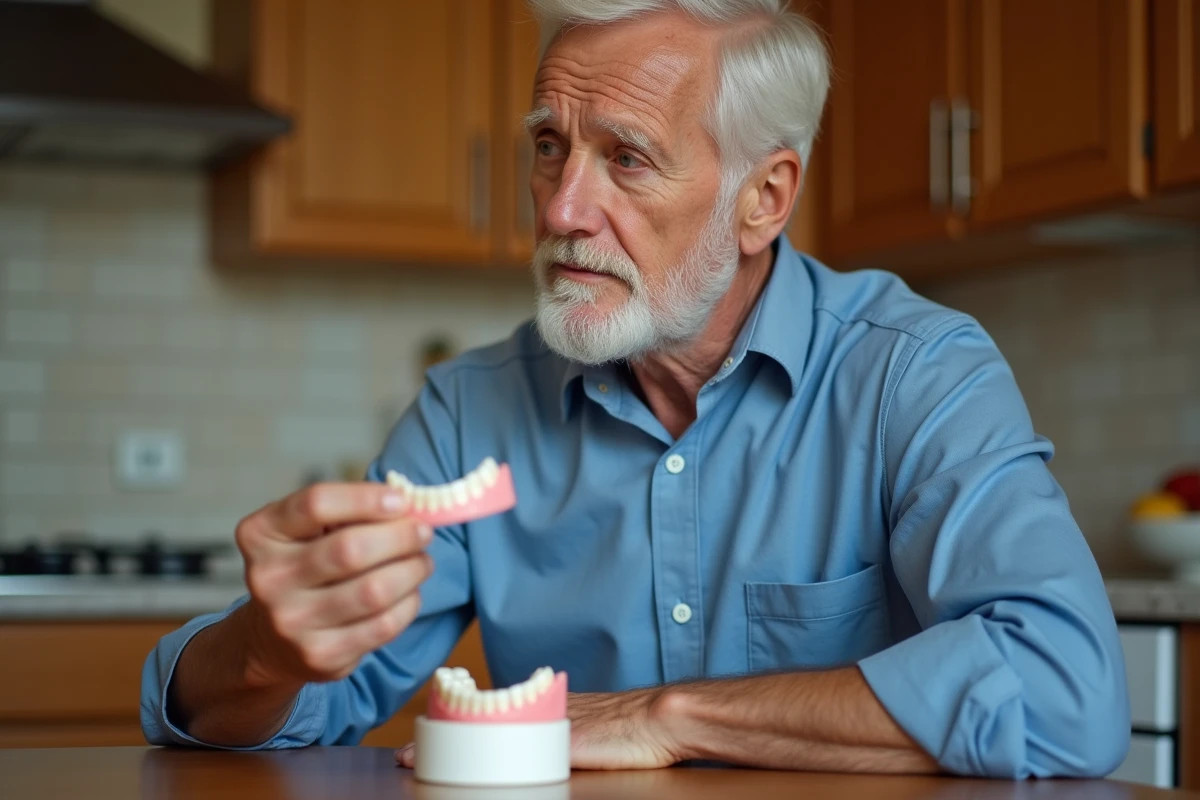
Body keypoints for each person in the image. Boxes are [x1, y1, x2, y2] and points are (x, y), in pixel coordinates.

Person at [142, 0, 1130, 778]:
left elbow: (1065, 686)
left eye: (627, 157)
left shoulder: (914, 373)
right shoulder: (465, 412)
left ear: (764, 196)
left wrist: (669, 717)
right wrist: (266, 649)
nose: (565, 208)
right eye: (548, 146)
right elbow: (278, 710)